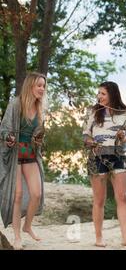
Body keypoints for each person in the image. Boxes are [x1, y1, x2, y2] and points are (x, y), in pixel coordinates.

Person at [82, 81, 126, 249]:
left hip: (118, 156)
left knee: (122, 197)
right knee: (99, 199)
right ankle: (99, 238)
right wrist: (92, 143)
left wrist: (122, 136)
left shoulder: (125, 112)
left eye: (103, 94)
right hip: (97, 158)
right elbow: (85, 136)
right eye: (98, 93)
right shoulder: (92, 112)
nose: (99, 96)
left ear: (112, 94)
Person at [0, 72, 47, 250]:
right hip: (14, 157)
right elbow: (4, 130)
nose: (42, 89)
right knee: (17, 195)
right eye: (39, 85)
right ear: (30, 86)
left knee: (36, 193)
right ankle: (17, 236)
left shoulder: (40, 107)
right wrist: (9, 138)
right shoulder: (15, 104)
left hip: (30, 155)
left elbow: (38, 134)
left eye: (43, 86)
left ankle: (28, 226)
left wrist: (38, 140)